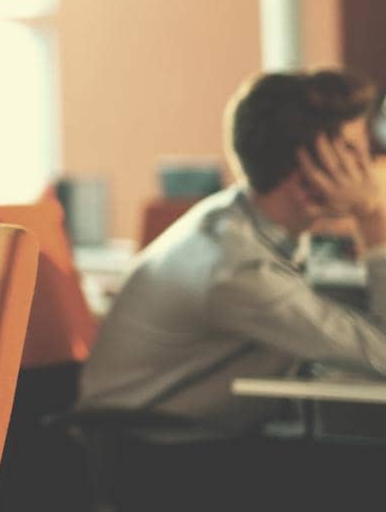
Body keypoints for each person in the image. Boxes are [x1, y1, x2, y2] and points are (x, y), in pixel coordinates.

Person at [77, 69, 386, 432]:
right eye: (354, 152)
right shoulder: (238, 269)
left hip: (191, 440)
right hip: (150, 457)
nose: (371, 164)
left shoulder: (239, 219)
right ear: (306, 172)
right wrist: (372, 215)